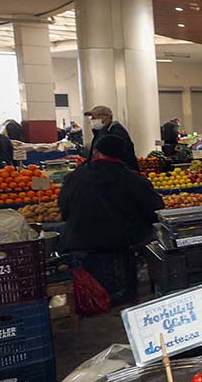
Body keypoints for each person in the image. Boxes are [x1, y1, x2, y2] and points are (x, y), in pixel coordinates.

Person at [59, 134, 164, 304]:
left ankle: (92, 298)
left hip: (80, 239)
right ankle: (124, 297)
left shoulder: (75, 177)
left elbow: (64, 208)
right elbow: (155, 209)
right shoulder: (132, 178)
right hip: (121, 242)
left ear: (97, 153)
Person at [85, 105, 137, 170]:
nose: (92, 119)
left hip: (117, 173)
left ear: (108, 117)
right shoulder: (100, 132)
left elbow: (120, 157)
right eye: (91, 117)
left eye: (96, 115)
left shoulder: (116, 132)